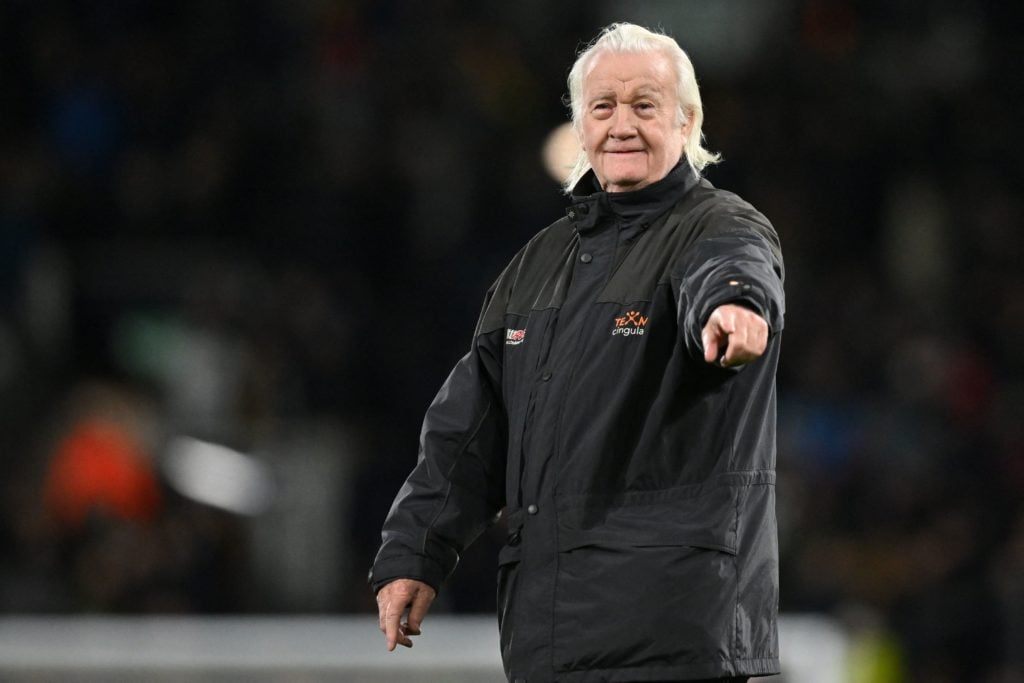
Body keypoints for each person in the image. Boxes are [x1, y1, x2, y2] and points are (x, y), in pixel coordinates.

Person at [370, 22, 785, 682]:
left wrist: (736, 309)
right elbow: (469, 429)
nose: (622, 123)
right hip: (549, 640)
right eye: (603, 106)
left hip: (670, 637)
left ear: (687, 121)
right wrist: (414, 552)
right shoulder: (537, 264)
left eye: (644, 104)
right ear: (581, 125)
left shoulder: (719, 225)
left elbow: (734, 271)